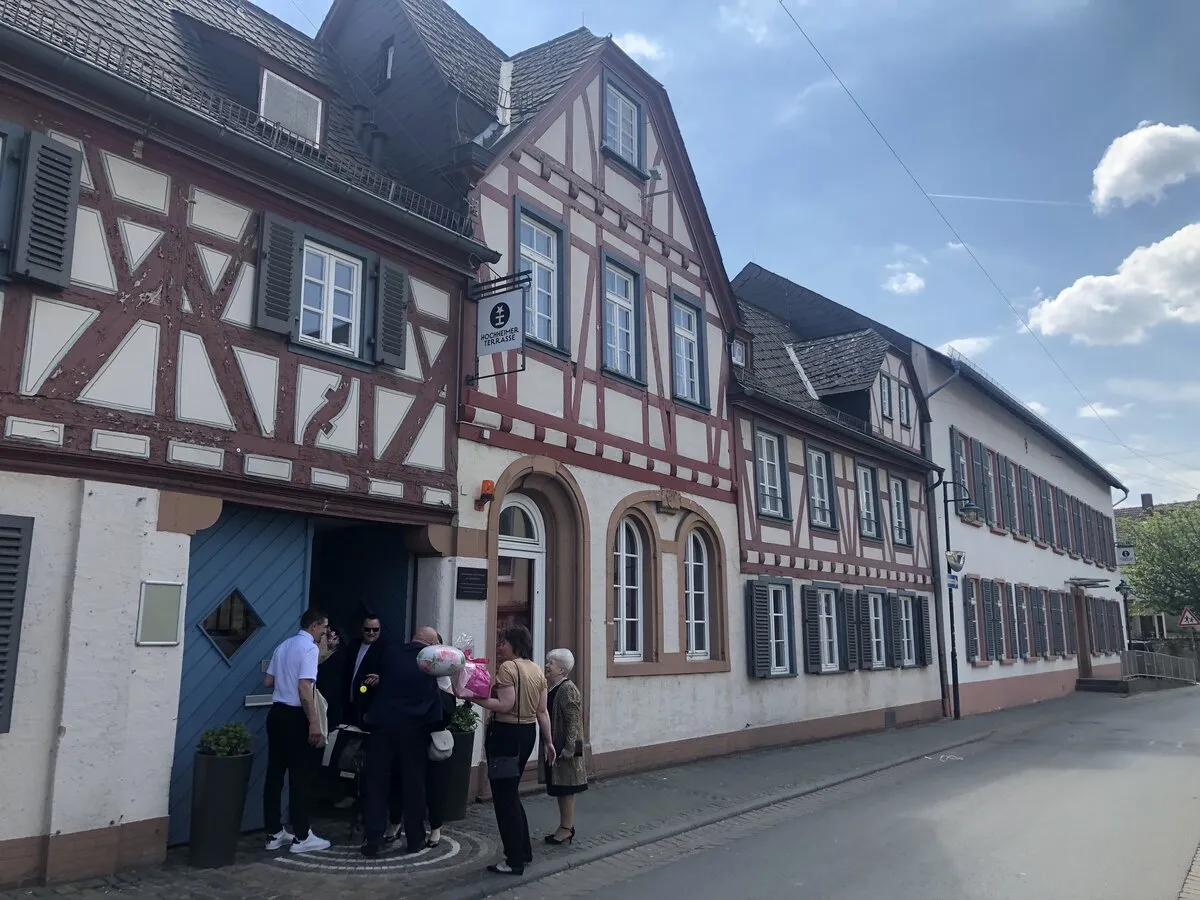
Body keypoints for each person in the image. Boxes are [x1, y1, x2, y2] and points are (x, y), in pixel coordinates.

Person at [471, 625, 555, 876]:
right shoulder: (536, 669)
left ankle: (514, 860)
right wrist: (548, 742)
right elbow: (542, 711)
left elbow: (505, 704)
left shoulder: (509, 668)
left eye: (504, 642)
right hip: (527, 734)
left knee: (504, 798)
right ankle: (524, 851)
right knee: (511, 794)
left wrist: (470, 697)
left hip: (506, 735)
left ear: (514, 644)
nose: (500, 647)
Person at [361, 626, 442, 857]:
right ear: (431, 644)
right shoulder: (430, 663)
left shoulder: (390, 653)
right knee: (414, 785)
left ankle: (373, 839)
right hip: (413, 730)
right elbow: (434, 699)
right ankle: (415, 839)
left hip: (383, 726)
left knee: (376, 784)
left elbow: (377, 683)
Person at [262, 608, 332, 854]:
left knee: (275, 773)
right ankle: (302, 835)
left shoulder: (283, 646)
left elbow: (268, 681)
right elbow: (304, 686)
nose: (325, 632)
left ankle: (273, 832)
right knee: (301, 775)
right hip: (295, 716)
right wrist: (313, 721)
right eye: (324, 627)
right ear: (314, 626)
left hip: (276, 713)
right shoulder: (309, 649)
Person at [386, 632, 457, 848]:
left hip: (430, 734)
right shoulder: (410, 661)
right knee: (402, 781)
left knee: (432, 783)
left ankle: (434, 827)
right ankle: (399, 824)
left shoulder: (441, 669)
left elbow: (449, 705)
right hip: (411, 731)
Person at [541, 648, 587, 845]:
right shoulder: (554, 687)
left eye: (550, 663)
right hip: (558, 747)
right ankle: (564, 826)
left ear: (561, 669)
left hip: (566, 750)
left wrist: (569, 748)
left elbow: (574, 721)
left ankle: (566, 828)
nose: (547, 666)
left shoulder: (567, 689)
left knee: (567, 788)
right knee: (560, 787)